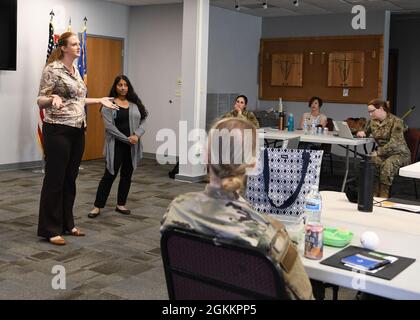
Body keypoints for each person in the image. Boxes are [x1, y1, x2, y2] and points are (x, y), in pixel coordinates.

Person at [161, 117, 314, 300]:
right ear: (253, 164)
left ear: (205, 156)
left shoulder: (177, 209)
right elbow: (304, 295)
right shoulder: (269, 233)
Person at [37, 32, 119, 246]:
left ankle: (67, 223)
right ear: (63, 47)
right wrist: (52, 98)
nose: (78, 47)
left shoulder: (76, 71)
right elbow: (40, 99)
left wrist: (100, 99)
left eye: (79, 44)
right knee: (55, 180)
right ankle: (49, 229)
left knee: (70, 179)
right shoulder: (52, 69)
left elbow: (78, 99)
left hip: (77, 129)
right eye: (74, 44)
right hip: (57, 130)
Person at [88, 75, 148, 218]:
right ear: (115, 87)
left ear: (129, 87)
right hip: (116, 145)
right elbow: (109, 127)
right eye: (120, 85)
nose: (123, 87)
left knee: (127, 176)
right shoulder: (109, 104)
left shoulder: (135, 104)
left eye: (125, 85)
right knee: (109, 175)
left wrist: (137, 135)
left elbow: (144, 120)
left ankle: (121, 204)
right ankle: (97, 206)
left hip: (132, 145)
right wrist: (127, 139)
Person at [356, 99, 411, 198]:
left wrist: (378, 152)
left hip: (399, 154)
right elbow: (365, 130)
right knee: (372, 162)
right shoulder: (372, 122)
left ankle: (383, 195)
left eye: (372, 111)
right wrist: (362, 132)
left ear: (381, 108)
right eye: (369, 112)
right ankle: (373, 194)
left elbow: (394, 143)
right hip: (383, 154)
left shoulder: (396, 121)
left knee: (387, 165)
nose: (370, 115)